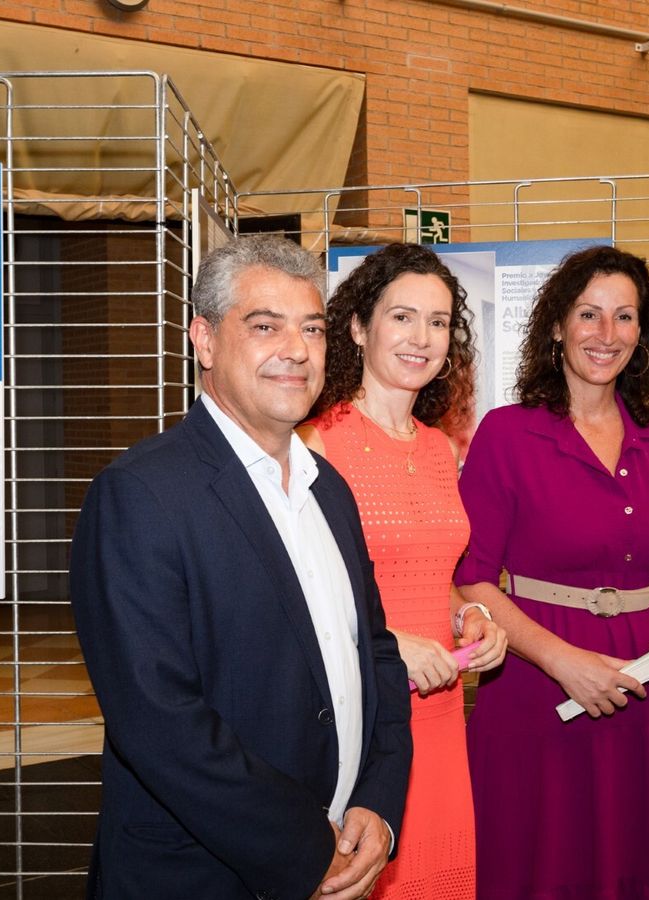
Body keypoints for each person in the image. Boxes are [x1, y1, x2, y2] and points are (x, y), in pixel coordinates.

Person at [69, 235, 413, 900]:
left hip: (344, 852)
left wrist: (379, 800)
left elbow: (375, 653)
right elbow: (160, 722)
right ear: (203, 339)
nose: (296, 350)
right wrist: (307, 853)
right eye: (265, 326)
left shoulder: (328, 489)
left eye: (311, 328)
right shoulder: (140, 495)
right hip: (203, 875)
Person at [453, 244, 649, 899]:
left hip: (648, 688)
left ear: (642, 334)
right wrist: (562, 660)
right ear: (556, 327)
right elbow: (474, 576)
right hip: (540, 690)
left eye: (625, 317)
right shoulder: (507, 435)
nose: (607, 334)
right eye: (589, 315)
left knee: (642, 861)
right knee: (545, 864)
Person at [298, 243, 507, 899]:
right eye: (403, 318)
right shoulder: (315, 442)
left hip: (441, 717)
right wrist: (388, 649)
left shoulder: (443, 448)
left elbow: (425, 572)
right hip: (359, 715)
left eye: (439, 322)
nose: (422, 338)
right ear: (358, 328)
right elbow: (294, 597)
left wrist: (470, 615)